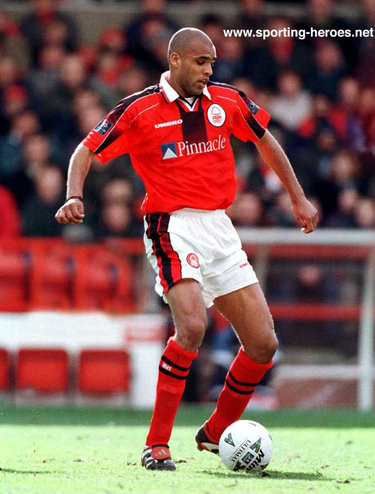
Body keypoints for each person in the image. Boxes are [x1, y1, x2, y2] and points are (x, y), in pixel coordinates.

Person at [55, 28, 318, 471]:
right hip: (170, 225)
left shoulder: (227, 100)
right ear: (175, 60)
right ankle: (156, 445)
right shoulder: (139, 109)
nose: (209, 70)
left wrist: (296, 195)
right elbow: (85, 149)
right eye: (200, 62)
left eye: (212, 63)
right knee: (192, 327)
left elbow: (265, 140)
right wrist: (73, 194)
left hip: (219, 226)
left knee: (262, 344)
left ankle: (216, 434)